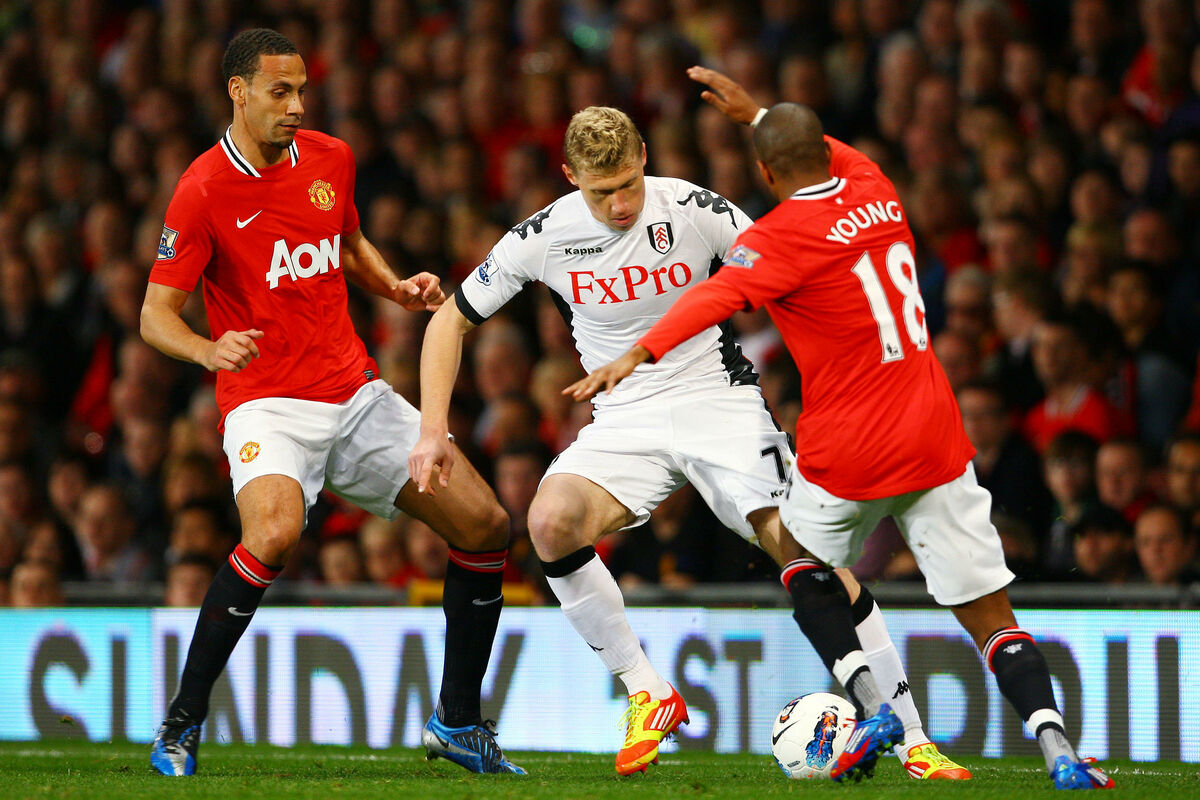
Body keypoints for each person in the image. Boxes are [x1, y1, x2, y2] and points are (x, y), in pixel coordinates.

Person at [567, 67, 1113, 790]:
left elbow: (710, 299)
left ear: (764, 173)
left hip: (849, 447)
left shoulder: (776, 240)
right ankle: (1058, 749)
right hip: (935, 436)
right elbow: (814, 146)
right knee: (991, 616)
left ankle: (873, 704)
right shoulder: (876, 186)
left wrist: (635, 354)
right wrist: (757, 112)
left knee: (800, 560)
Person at [410, 104, 968, 779]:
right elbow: (449, 322)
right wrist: (432, 430)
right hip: (624, 415)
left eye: (628, 184)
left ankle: (912, 739)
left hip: (717, 400)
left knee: (804, 547)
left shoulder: (695, 208)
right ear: (569, 176)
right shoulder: (544, 235)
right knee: (550, 523)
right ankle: (647, 691)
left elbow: (788, 275)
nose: (620, 205)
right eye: (601, 192)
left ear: (645, 155)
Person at [140, 29, 522, 777]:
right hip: (266, 403)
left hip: (353, 392)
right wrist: (206, 350)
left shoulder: (331, 158)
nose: (296, 106)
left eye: (302, 91)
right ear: (238, 92)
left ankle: (457, 721)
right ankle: (180, 725)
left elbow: (345, 242)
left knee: (485, 525)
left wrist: (394, 286)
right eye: (280, 92)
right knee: (274, 532)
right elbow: (156, 314)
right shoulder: (202, 189)